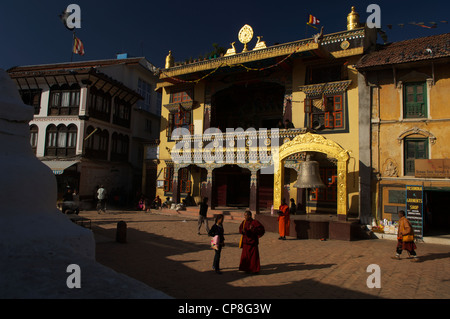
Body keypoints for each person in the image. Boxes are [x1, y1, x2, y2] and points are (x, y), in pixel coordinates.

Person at [239, 210, 265, 274]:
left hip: (252, 242)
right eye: (244, 215)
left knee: (253, 257)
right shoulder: (244, 222)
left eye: (246, 215)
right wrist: (242, 231)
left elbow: (261, 230)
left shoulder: (255, 222)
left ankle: (254, 270)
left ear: (249, 216)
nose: (245, 217)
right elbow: (240, 229)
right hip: (246, 242)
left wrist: (253, 229)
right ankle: (246, 269)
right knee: (246, 256)